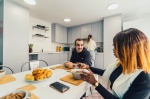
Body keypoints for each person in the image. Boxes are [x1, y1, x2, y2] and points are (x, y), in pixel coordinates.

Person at [80, 28, 150, 99]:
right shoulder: (121, 63)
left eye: (116, 47)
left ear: (127, 50)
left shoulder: (144, 78)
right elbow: (106, 72)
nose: (113, 49)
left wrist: (95, 83)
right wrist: (88, 67)